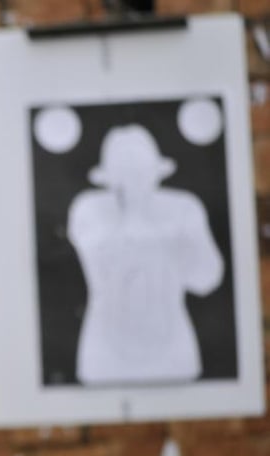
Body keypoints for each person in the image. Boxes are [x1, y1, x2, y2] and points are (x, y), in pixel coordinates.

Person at [67, 124, 223, 385]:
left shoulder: (183, 210)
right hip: (106, 358)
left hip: (172, 355)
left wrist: (188, 236)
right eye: (124, 171)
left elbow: (206, 279)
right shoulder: (89, 210)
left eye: (139, 169)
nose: (133, 179)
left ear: (156, 172)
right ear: (108, 178)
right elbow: (98, 246)